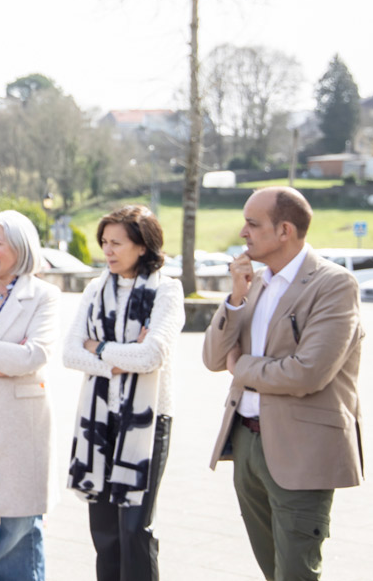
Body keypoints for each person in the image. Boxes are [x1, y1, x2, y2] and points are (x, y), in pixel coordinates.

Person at [202, 187, 363, 581]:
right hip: (246, 444)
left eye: (253, 224)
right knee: (272, 571)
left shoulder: (334, 285)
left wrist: (242, 368)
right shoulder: (253, 283)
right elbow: (211, 359)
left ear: (285, 230)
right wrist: (235, 299)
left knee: (296, 573)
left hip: (302, 452)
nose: (243, 232)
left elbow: (307, 372)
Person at [64, 205, 184, 581]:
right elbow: (70, 353)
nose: (108, 251)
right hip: (98, 422)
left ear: (143, 246)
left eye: (117, 243)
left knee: (135, 529)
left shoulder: (167, 289)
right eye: (104, 242)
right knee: (104, 533)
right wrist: (120, 357)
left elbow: (153, 355)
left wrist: (98, 349)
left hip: (147, 423)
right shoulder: (95, 289)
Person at [0, 210, 61, 581]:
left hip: (19, 418)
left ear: (20, 246)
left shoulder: (44, 295)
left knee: (19, 525)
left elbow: (34, 356)